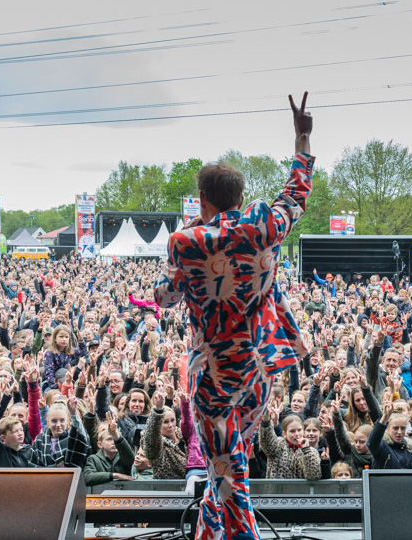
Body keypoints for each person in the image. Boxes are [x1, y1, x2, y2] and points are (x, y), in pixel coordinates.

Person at [152, 91, 314, 540]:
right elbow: (294, 196)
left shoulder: (185, 243)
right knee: (228, 460)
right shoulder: (262, 225)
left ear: (201, 199)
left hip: (215, 376)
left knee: (229, 472)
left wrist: (165, 285)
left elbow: (166, 296)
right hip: (259, 369)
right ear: (240, 198)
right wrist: (301, 141)